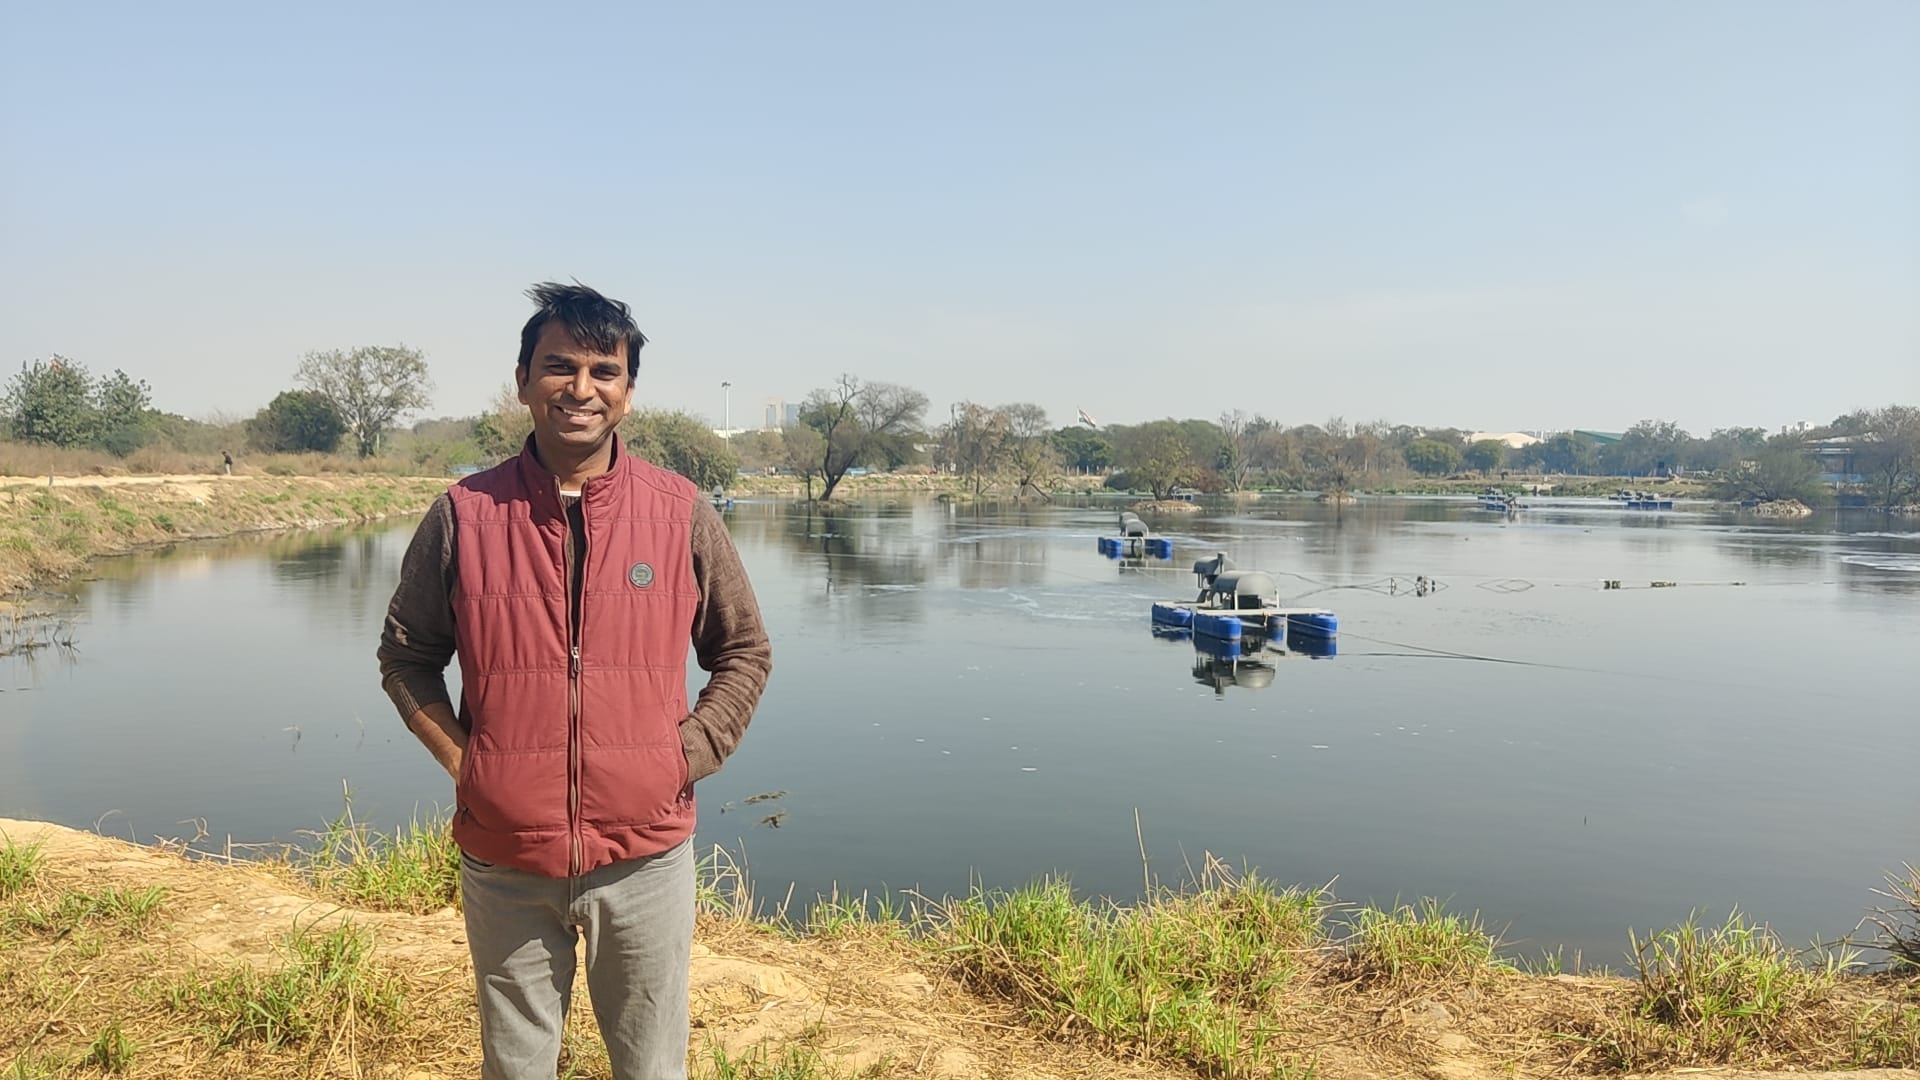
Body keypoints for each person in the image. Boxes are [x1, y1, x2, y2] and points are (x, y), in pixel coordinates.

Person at [377, 282, 772, 1079]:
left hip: (646, 857)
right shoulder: (464, 514)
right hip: (507, 857)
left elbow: (745, 651)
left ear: (628, 393)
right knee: (517, 1067)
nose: (581, 389)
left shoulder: (681, 512)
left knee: (652, 1068)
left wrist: (680, 757)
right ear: (523, 379)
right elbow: (406, 656)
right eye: (559, 367)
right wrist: (472, 764)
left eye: (604, 370)